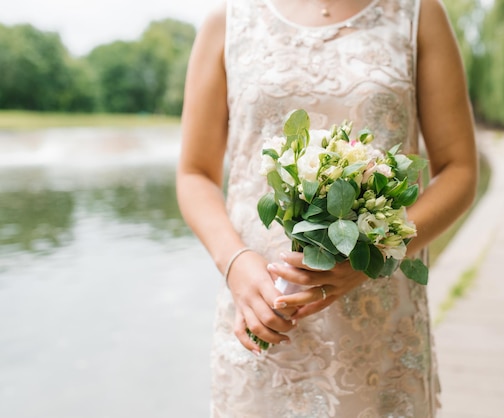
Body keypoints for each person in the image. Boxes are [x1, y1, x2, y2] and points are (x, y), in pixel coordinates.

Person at [177, 0, 477, 415]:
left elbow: (458, 170)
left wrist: (376, 256)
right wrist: (235, 263)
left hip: (379, 318)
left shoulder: (417, 14)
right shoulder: (227, 20)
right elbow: (195, 174)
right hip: (261, 308)